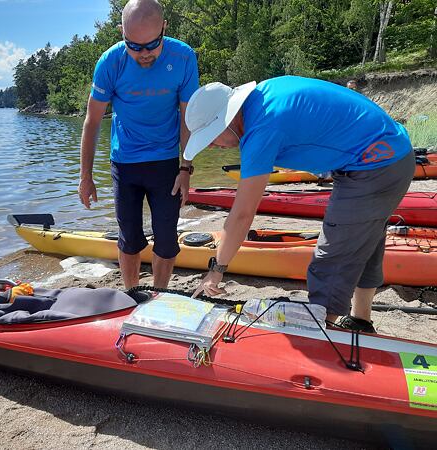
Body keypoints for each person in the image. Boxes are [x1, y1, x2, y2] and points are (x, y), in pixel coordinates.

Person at [186, 76, 415, 332]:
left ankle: (321, 330)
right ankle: (361, 319)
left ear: (226, 119)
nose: (213, 146)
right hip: (390, 154)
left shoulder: (262, 128)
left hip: (375, 164)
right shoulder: (264, 96)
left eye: (211, 138)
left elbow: (242, 214)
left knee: (333, 251)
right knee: (364, 240)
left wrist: (217, 269)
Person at [78, 0, 199, 289]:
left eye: (151, 45)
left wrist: (186, 168)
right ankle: (132, 292)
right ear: (122, 32)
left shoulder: (183, 57)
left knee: (167, 239)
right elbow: (92, 121)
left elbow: (187, 117)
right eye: (134, 45)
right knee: (129, 238)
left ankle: (158, 294)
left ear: (164, 29)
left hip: (167, 161)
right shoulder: (110, 62)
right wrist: (85, 177)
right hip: (125, 162)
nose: (143, 54)